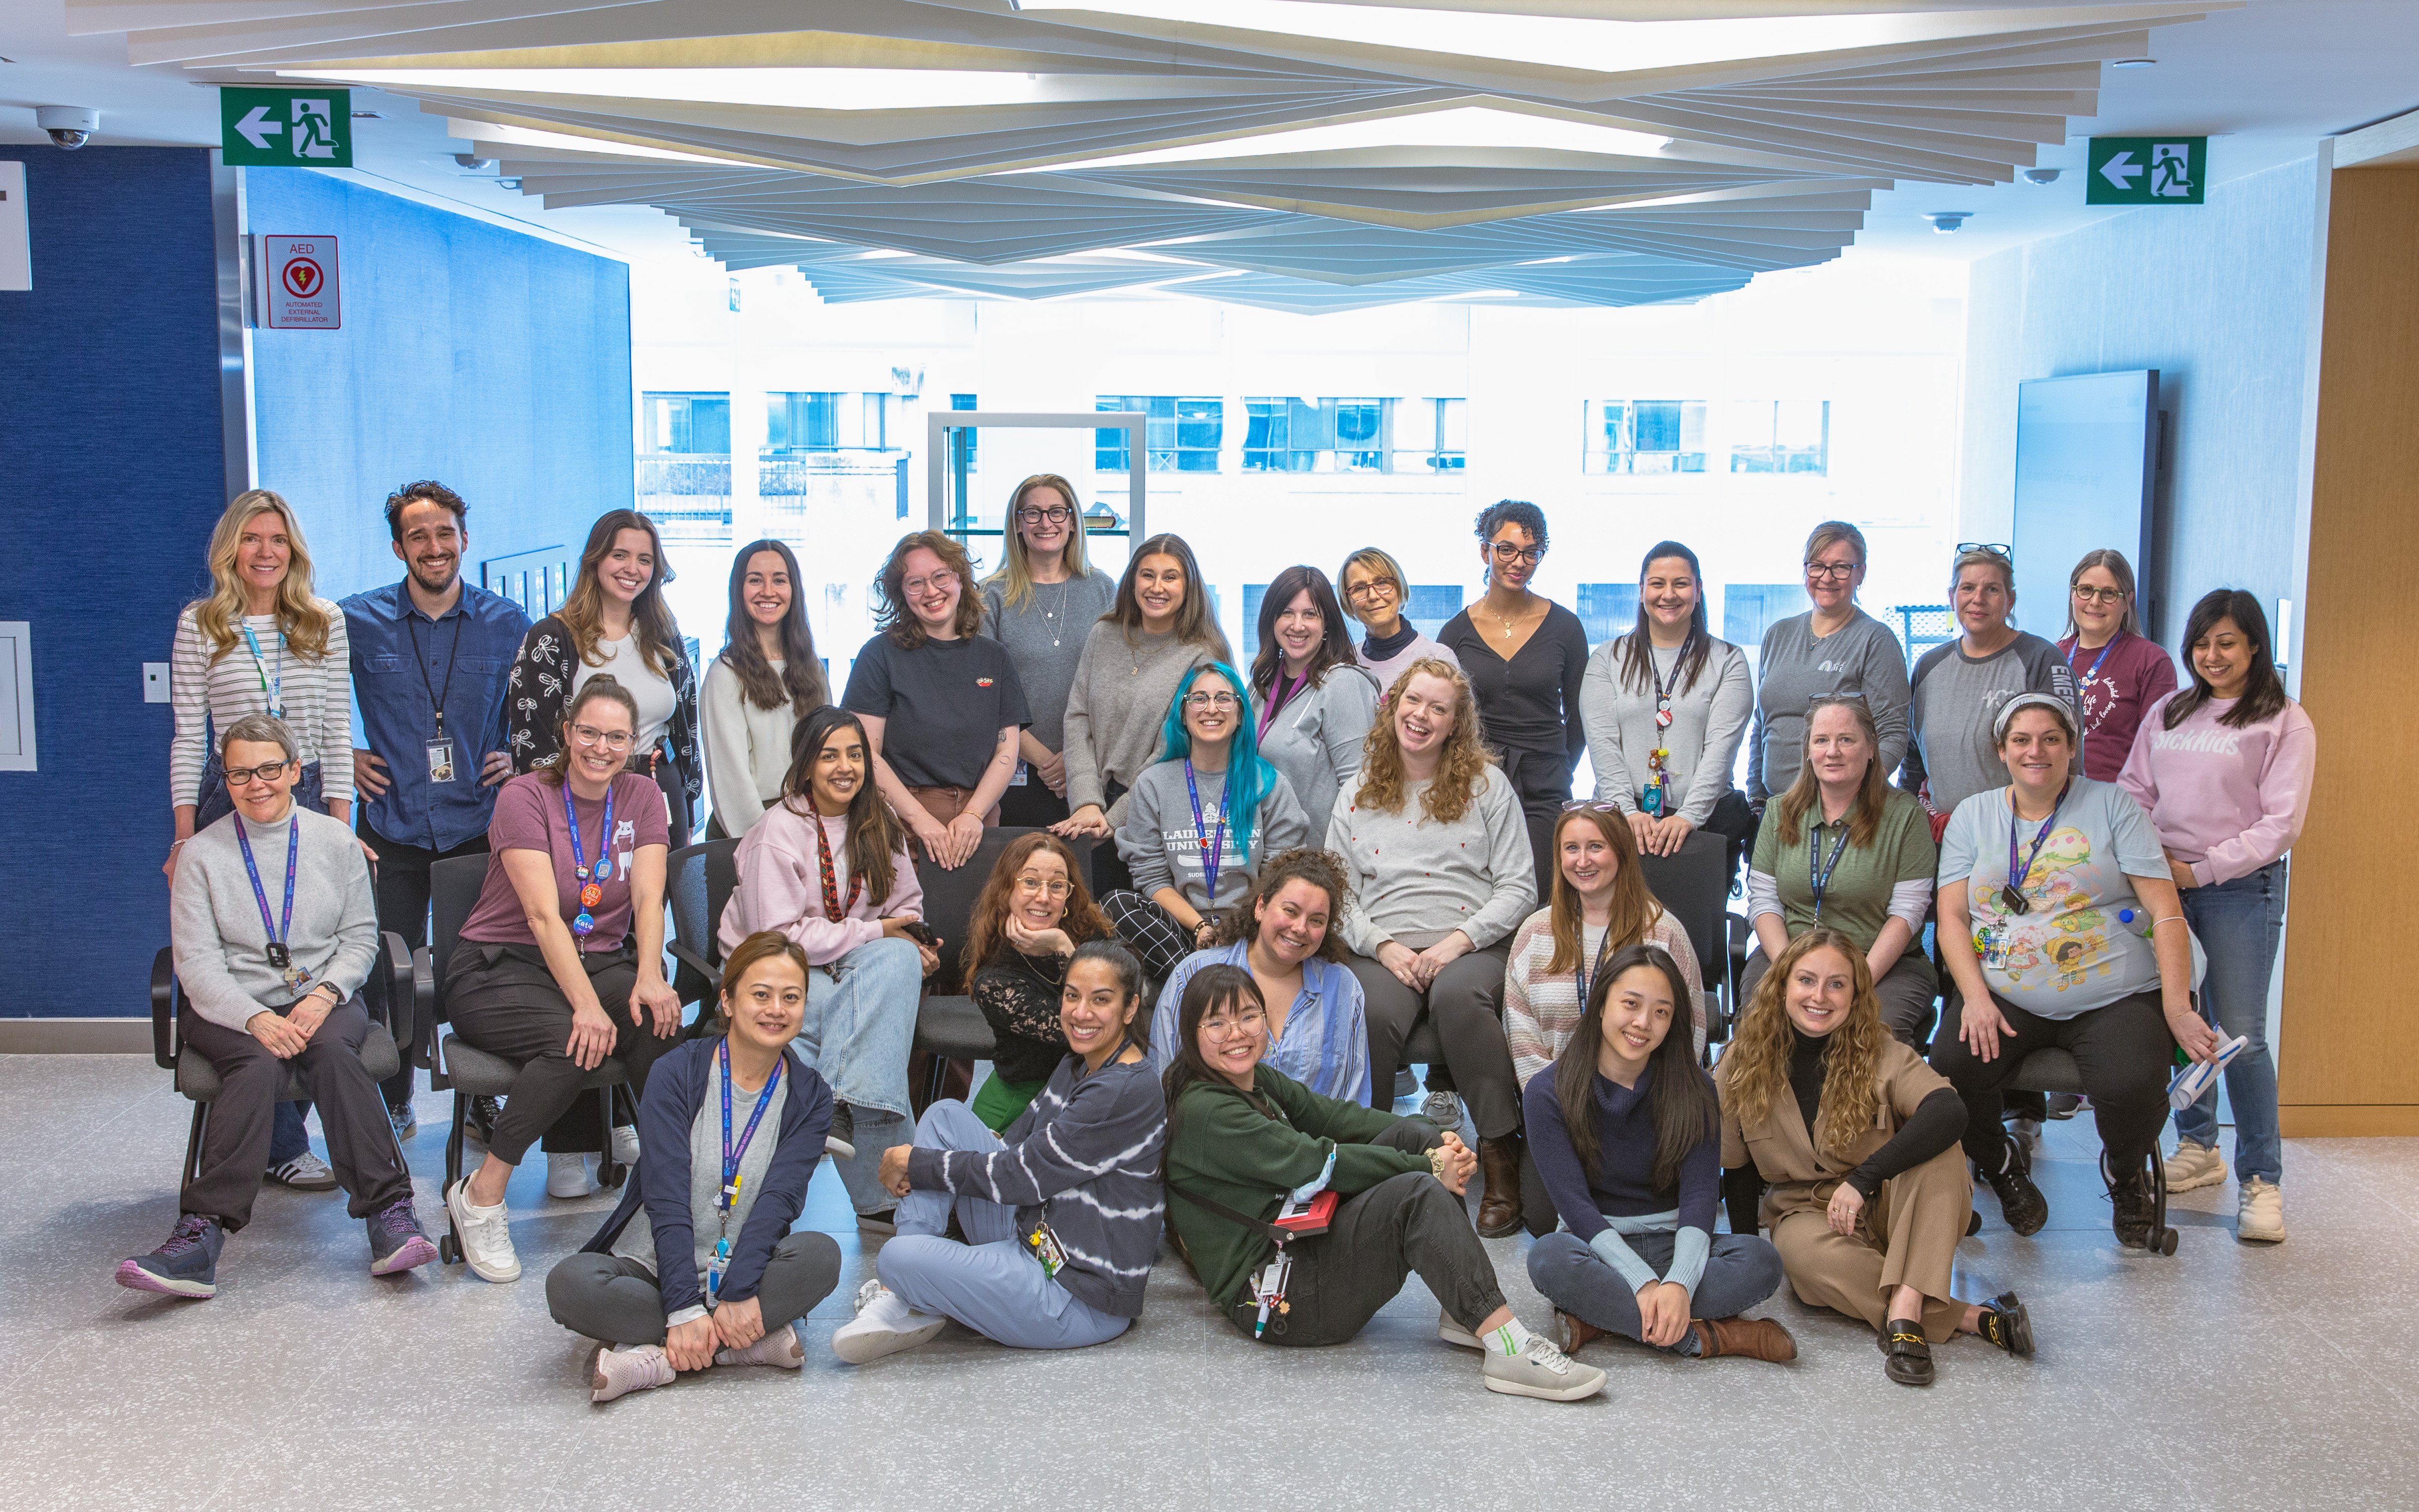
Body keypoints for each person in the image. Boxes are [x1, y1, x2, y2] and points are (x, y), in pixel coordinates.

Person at [1159, 965, 1603, 1400]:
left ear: (1265, 1019)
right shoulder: (1208, 1110)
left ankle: (1464, 1308)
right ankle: (1508, 1348)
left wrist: (1431, 1133)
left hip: (1295, 1235)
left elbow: (1335, 1118)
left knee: (1415, 1133)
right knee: (1416, 1192)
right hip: (1274, 1296)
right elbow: (1317, 1163)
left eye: (1247, 1016)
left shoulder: (1251, 1079)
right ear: (1191, 1034)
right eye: (1216, 1022)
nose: (1236, 1032)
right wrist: (1429, 1165)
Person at [119, 715, 433, 1298]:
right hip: (230, 1006)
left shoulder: (335, 841)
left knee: (338, 1053)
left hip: (322, 995)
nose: (255, 784)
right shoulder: (202, 855)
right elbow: (196, 962)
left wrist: (323, 995)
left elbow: (362, 938)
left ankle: (390, 1217)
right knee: (255, 1064)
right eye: (239, 773)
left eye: (269, 768)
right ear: (227, 778)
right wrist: (254, 1017)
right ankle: (199, 1235)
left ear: (294, 771)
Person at [1929, 694, 2221, 1249]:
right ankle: (1999, 1165)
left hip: (2113, 991)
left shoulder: (2113, 806)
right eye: (2021, 740)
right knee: (1949, 1067)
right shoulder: (1973, 814)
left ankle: (2125, 1170)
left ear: (2071, 747)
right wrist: (1975, 998)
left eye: (2049, 739)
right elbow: (1950, 918)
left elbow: (2164, 910)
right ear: (2001, 750)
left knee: (2133, 1081)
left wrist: (2177, 1006)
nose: (2034, 750)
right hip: (2005, 990)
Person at [442, 676, 685, 1283]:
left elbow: (651, 898)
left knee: (658, 1023)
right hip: (500, 963)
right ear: (567, 732)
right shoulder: (524, 796)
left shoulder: (643, 796)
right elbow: (541, 915)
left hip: (595, 956)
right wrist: (586, 1005)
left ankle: (669, 1200)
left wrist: (650, 977)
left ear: (634, 741)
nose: (601, 748)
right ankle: (482, 1194)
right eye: (589, 733)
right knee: (572, 1043)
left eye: (616, 737)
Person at [1717, 930, 2036, 1386]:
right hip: (1809, 1211)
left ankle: (1905, 1314)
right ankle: (1967, 1317)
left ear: (1856, 993)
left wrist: (1864, 1179)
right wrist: (1745, 1261)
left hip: (1894, 1203)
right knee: (1802, 1258)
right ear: (1782, 984)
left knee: (1940, 1149)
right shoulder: (1740, 1062)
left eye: (1837, 984)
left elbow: (1949, 1109)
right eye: (1806, 980)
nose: (1819, 996)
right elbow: (1738, 1168)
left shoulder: (1880, 1049)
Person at [545, 932, 844, 1402]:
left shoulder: (810, 1095)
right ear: (726, 1000)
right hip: (655, 1263)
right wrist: (683, 1304)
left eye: (792, 997)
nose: (776, 1009)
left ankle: (655, 1357)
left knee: (823, 1257)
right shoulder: (676, 1071)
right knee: (570, 1284)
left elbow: (780, 1200)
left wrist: (740, 1287)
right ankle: (736, 1343)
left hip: (745, 1266)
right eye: (760, 995)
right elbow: (664, 1192)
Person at [833, 942, 1166, 1361]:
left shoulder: (1123, 1089)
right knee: (944, 1116)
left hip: (1074, 1293)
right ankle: (905, 1296)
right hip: (1038, 1232)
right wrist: (946, 1161)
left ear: (1131, 1007)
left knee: (898, 1255)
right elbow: (1016, 1146)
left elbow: (1020, 1175)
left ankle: (905, 1289)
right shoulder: (1080, 1062)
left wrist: (915, 1164)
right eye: (1072, 995)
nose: (1081, 1013)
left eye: (1101, 999)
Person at [168, 488, 356, 1192]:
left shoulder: (322, 621)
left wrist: (342, 826)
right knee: (254, 959)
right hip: (232, 795)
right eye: (252, 539)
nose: (266, 551)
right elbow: (190, 736)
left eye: (278, 539)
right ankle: (281, 1140)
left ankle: (288, 1127)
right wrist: (185, 834)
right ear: (232, 551)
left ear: (294, 550)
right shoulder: (201, 625)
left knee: (305, 960)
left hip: (304, 792)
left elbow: (338, 729)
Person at [2122, 591, 2314, 1244]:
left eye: (2226, 643)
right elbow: (2133, 790)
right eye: (2202, 643)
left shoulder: (2283, 721)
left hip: (2237, 888)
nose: (2212, 656)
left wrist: (2199, 870)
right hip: (2165, 887)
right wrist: (2154, 862)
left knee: (2241, 1035)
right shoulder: (2169, 711)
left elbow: (2279, 824)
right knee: (2182, 1019)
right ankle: (2198, 1146)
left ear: (2253, 645)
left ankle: (2261, 1180)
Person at [343, 479, 531, 1138]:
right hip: (390, 823)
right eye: (417, 535)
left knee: (477, 968)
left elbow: (535, 715)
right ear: (399, 547)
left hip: (477, 822)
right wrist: (342, 753)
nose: (433, 546)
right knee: (387, 972)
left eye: (444, 533)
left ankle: (477, 1094)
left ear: (464, 540)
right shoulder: (355, 621)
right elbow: (293, 690)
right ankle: (393, 1100)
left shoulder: (508, 622)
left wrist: (514, 752)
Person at [1329, 659, 1537, 1236]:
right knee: (1367, 1010)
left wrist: (1455, 944)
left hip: (1472, 945)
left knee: (1457, 1000)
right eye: (1412, 702)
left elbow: (1520, 886)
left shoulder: (1486, 786)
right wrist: (1381, 945)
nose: (1420, 717)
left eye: (1437, 708)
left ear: (1455, 723)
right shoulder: (1357, 790)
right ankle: (1371, 1163)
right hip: (1382, 950)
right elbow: (1337, 893)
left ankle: (1499, 1158)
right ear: (1393, 707)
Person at [719, 704, 939, 1233]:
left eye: (855, 754)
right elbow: (779, 939)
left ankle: (830, 1106)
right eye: (829, 755)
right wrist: (874, 933)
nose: (845, 767)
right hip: (774, 970)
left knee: (899, 960)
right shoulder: (779, 831)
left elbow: (904, 908)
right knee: (868, 1029)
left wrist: (912, 938)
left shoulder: (877, 821)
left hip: (850, 961)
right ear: (805, 766)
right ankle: (889, 1199)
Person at [1526, 944, 1793, 1363]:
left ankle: (1602, 1320)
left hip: (1677, 1241)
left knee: (1763, 1260)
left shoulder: (1696, 1088)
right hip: (1596, 1246)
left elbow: (1701, 1197)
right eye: (1630, 1004)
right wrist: (1645, 1285)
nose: (1643, 1023)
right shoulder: (1547, 1092)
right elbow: (1575, 1207)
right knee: (1547, 1259)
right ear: (1600, 1005)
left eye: (1661, 1012)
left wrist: (1681, 1283)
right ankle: (1710, 1337)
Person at [1503, 807, 1706, 1231]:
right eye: (1571, 848)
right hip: (1562, 1108)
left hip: (1645, 1112)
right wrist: (1560, 1111)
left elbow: (1692, 1031)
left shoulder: (1664, 932)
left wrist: (1640, 1106)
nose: (1583, 860)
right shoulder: (1534, 933)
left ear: (1622, 853)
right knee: (1542, 1218)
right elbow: (1522, 1039)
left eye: (1596, 846)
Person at [1744, 696, 1939, 1046]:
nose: (1832, 751)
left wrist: (1855, 981)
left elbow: (1908, 913)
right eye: (1821, 740)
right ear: (1808, 750)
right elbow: (1764, 903)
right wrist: (1792, 972)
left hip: (1880, 964)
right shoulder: (1779, 811)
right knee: (1761, 1024)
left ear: (1871, 750)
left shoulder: (1905, 816)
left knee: (1871, 1036)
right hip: (1790, 953)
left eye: (1846, 739)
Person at [506, 510, 701, 847]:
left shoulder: (664, 634)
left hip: (660, 790)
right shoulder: (551, 638)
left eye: (645, 559)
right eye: (620, 555)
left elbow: (688, 726)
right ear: (595, 561)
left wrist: (689, 801)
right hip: (583, 803)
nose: (633, 569)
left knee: (658, 898)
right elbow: (533, 746)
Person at [1104, 661, 1311, 978]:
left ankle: (1207, 979)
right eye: (1198, 699)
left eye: (1224, 699)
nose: (1211, 708)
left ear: (1241, 714)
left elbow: (1279, 876)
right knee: (1115, 903)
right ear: (1183, 715)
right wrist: (1200, 927)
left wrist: (1237, 929)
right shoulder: (1153, 784)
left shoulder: (1268, 783)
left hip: (1253, 923)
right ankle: (1199, 979)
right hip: (1179, 928)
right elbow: (1151, 877)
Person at [1052, 532, 1231, 895]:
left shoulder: (1201, 655)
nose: (1157, 587)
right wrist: (1087, 802)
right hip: (1088, 807)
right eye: (1148, 575)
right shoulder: (1104, 634)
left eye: (1171, 576)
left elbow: (1175, 748)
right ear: (1133, 579)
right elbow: (1078, 716)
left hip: (1155, 813)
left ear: (1189, 586)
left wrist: (1113, 820)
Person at [844, 530, 1029, 869]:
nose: (931, 591)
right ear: (901, 593)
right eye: (915, 583)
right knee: (907, 922)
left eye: (940, 576)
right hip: (901, 823)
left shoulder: (995, 657)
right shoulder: (879, 656)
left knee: (979, 921)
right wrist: (919, 819)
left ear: (960, 578)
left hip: (979, 823)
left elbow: (1007, 750)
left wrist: (974, 814)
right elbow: (864, 753)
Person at [1436, 500, 1590, 901]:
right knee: (1478, 896)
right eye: (1507, 549)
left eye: (1531, 552)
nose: (1518, 561)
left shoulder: (1567, 627)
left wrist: (1556, 766)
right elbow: (1444, 716)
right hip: (1475, 783)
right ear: (1485, 550)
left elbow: (1580, 718)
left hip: (1545, 785)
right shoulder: (1455, 633)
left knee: (1540, 897)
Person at [1150, 848, 1371, 1104]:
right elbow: (1163, 1081)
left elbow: (1353, 1099)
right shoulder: (1191, 975)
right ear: (1261, 907)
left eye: (1317, 920)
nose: (1300, 928)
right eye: (1290, 911)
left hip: (1311, 1143)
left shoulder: (1343, 988)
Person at [1578, 540, 1753, 861]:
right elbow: (1603, 746)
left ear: (1698, 590)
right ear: (1642, 589)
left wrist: (1689, 816)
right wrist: (1627, 813)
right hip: (1622, 823)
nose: (1668, 594)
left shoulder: (1729, 661)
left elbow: (1721, 750)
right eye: (1657, 584)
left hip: (1705, 825)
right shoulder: (1607, 658)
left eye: (1681, 584)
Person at [1904, 544, 2082, 824]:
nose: (1978, 599)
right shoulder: (1928, 666)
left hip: (2019, 833)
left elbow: (2069, 759)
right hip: (1941, 835)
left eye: (1992, 590)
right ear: (1952, 597)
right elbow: (1912, 759)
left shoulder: (2041, 659)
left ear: (2010, 600)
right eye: (1968, 588)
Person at [980, 474, 1118, 829]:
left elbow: (1117, 682)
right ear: (1017, 524)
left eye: (1057, 512)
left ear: (1073, 522)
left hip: (1092, 773)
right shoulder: (990, 596)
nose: (1046, 523)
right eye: (1033, 513)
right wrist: (1046, 761)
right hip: (1016, 773)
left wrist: (1076, 762)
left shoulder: (1102, 589)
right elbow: (984, 695)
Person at [1748, 520, 1910, 813]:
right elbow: (1762, 726)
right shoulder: (1778, 634)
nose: (1827, 577)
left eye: (1841, 567)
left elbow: (1893, 732)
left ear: (1860, 573)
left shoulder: (1875, 640)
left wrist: (1854, 798)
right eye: (1818, 566)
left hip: (1841, 812)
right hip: (1774, 811)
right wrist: (1756, 800)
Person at [962, 831, 1116, 1130]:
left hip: (1093, 1091)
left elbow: (1126, 1003)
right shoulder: (995, 981)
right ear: (1006, 890)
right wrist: (1062, 946)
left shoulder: (1089, 931)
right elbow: (1083, 1030)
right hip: (1021, 1106)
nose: (1044, 898)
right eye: (1030, 882)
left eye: (1057, 885)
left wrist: (1064, 946)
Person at [701, 538, 826, 840]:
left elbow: (827, 752)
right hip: (752, 830)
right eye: (755, 580)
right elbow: (732, 783)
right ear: (738, 590)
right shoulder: (725, 674)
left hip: (810, 821)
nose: (768, 591)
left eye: (779, 580)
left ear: (793, 590)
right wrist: (765, 847)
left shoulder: (813, 668)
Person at [1250, 564, 1381, 827]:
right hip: (1264, 850)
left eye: (1310, 615)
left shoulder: (1343, 683)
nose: (1297, 626)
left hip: (1317, 860)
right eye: (1287, 613)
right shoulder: (1260, 683)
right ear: (1271, 620)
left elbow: (1361, 789)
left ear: (1326, 625)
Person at [2059, 548, 2176, 784]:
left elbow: (2159, 751)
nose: (2095, 602)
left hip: (2116, 803)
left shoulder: (2151, 661)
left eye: (2109, 594)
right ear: (2072, 595)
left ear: (2127, 602)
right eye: (2086, 590)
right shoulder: (2050, 657)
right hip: (2050, 798)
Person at [1339, 545, 1460, 691]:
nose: (1373, 596)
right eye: (1359, 588)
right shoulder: (1344, 663)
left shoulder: (1439, 658)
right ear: (1348, 602)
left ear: (1400, 589)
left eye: (1382, 583)